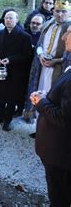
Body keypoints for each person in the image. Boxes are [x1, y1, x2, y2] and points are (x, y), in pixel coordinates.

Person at [30, 26, 71, 206]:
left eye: (69, 32)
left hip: (61, 155)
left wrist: (40, 102)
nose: (63, 37)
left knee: (59, 197)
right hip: (60, 153)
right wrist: (48, 96)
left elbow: (65, 119)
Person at [25, 0, 71, 122]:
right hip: (43, 66)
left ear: (69, 12)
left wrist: (56, 61)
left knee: (52, 96)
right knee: (40, 93)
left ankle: (49, 126)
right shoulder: (48, 24)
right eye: (57, 11)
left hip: (58, 69)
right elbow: (40, 43)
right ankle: (39, 124)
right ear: (53, 11)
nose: (60, 14)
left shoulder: (69, 29)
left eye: (64, 11)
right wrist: (40, 55)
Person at [0, 11, 33, 131]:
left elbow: (27, 55)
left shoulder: (25, 36)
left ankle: (7, 120)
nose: (8, 20)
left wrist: (11, 59)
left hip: (16, 72)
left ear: (17, 20)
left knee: (12, 97)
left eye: (11, 18)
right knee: (0, 94)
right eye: (6, 18)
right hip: (1, 70)